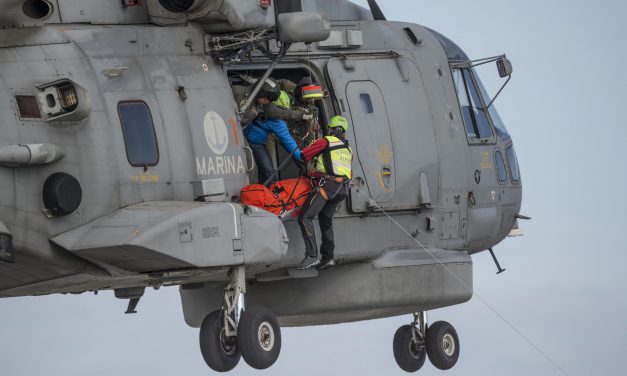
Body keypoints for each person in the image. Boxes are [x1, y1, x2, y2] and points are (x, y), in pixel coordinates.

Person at [296, 116, 353, 270]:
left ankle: (312, 255)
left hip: (328, 186)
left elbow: (304, 155)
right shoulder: (347, 148)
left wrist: (305, 145)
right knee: (325, 219)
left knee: (304, 217)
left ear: (330, 129)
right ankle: (328, 257)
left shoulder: (325, 141)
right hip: (342, 189)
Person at [243, 86, 302, 185]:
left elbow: (289, 143)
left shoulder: (279, 123)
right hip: (242, 136)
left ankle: (264, 194)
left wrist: (302, 158)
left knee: (269, 173)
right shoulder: (261, 104)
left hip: (257, 144)